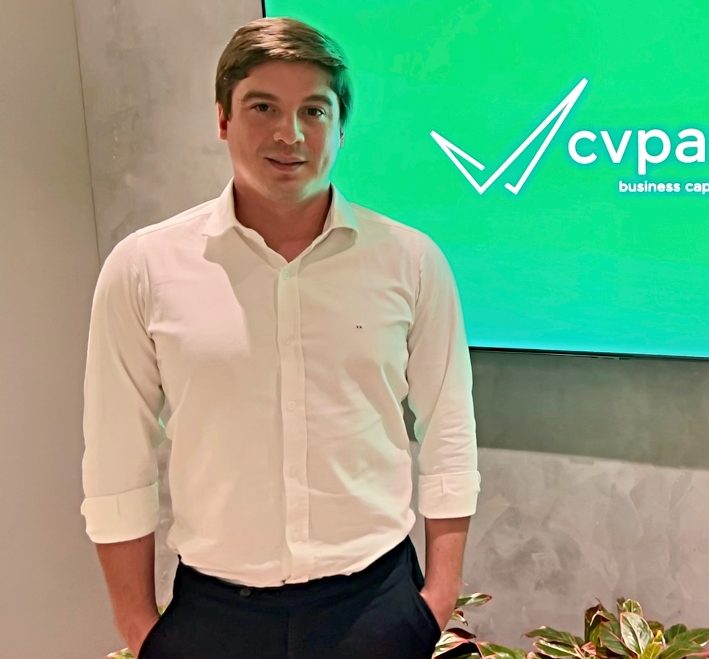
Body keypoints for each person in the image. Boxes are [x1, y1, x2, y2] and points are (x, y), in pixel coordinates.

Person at [81, 16, 480, 659]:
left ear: (341, 127)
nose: (289, 134)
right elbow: (114, 456)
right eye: (262, 106)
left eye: (313, 111)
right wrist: (138, 627)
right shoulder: (144, 269)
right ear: (223, 118)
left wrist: (436, 600)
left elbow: (449, 434)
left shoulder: (410, 261)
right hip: (212, 620)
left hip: (376, 610)